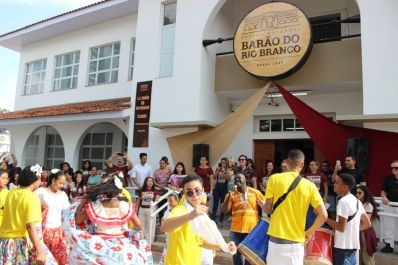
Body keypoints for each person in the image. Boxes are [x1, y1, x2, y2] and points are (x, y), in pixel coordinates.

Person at [64, 174, 153, 264]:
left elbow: (78, 220)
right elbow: (139, 226)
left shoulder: (97, 206)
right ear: (119, 190)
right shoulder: (125, 206)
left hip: (100, 244)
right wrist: (129, 233)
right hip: (122, 245)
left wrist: (82, 203)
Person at [263, 149, 328, 265]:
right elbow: (323, 215)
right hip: (296, 243)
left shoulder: (274, 178)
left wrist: (262, 205)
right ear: (302, 164)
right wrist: (309, 232)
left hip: (275, 241)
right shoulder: (310, 186)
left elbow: (267, 209)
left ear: (287, 162)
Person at [161, 175, 236, 265]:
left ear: (203, 190)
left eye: (197, 190)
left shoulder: (200, 215)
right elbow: (164, 227)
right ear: (184, 194)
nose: (194, 195)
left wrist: (224, 247)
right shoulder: (181, 210)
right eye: (189, 193)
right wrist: (191, 215)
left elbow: (200, 242)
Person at [0, 166, 57, 265]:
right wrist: (40, 251)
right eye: (39, 178)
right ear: (34, 180)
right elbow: (30, 226)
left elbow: (18, 211)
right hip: (19, 244)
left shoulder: (11, 193)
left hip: (5, 242)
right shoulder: (32, 197)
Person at [326, 173, 371, 265]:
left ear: (345, 187)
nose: (334, 184)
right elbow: (367, 224)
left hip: (342, 246)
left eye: (337, 182)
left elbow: (341, 227)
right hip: (353, 245)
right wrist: (352, 230)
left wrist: (324, 218)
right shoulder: (357, 201)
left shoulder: (343, 202)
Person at [221, 173, 265, 265]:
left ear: (245, 179)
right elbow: (224, 210)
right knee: (236, 254)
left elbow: (264, 207)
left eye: (239, 178)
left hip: (252, 230)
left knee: (249, 256)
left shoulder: (255, 192)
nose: (237, 180)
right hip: (236, 230)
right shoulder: (231, 194)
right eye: (235, 179)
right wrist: (228, 196)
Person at [35, 169, 70, 265]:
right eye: (60, 183)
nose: (62, 186)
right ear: (53, 180)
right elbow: (31, 208)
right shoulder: (40, 192)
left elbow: (67, 213)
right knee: (43, 259)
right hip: (43, 230)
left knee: (58, 258)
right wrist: (40, 208)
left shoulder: (63, 195)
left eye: (63, 184)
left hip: (58, 232)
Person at [380, 160, 398, 253]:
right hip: (390, 205)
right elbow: (383, 189)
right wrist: (384, 197)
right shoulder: (388, 178)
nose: (393, 170)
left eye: (396, 168)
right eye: (392, 168)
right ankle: (389, 246)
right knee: (388, 226)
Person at [356, 185, 377, 265]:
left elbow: (366, 222)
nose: (357, 194)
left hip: (365, 233)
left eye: (360, 193)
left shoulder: (368, 205)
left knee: (367, 255)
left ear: (365, 193)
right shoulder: (359, 203)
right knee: (360, 255)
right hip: (360, 231)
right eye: (356, 193)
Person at [136, 176, 160, 244]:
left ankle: (148, 243)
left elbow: (157, 197)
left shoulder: (155, 190)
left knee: (150, 226)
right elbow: (138, 200)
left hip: (150, 210)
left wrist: (157, 198)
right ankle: (140, 241)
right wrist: (136, 210)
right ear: (145, 182)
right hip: (142, 209)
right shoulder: (142, 190)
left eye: (151, 181)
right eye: (148, 181)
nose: (150, 182)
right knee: (141, 225)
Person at [159, 193, 180, 265]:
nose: (169, 203)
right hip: (169, 237)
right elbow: (164, 224)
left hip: (178, 239)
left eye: (171, 201)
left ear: (177, 200)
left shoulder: (181, 211)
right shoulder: (168, 211)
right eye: (169, 201)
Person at [211, 157, 230, 227]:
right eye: (222, 162)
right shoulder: (218, 168)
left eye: (224, 162)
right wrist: (217, 172)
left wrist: (225, 173)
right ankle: (213, 218)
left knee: (223, 204)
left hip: (224, 188)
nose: (222, 163)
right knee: (215, 204)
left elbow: (229, 179)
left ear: (226, 163)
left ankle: (221, 220)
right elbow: (214, 177)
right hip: (217, 188)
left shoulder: (228, 170)